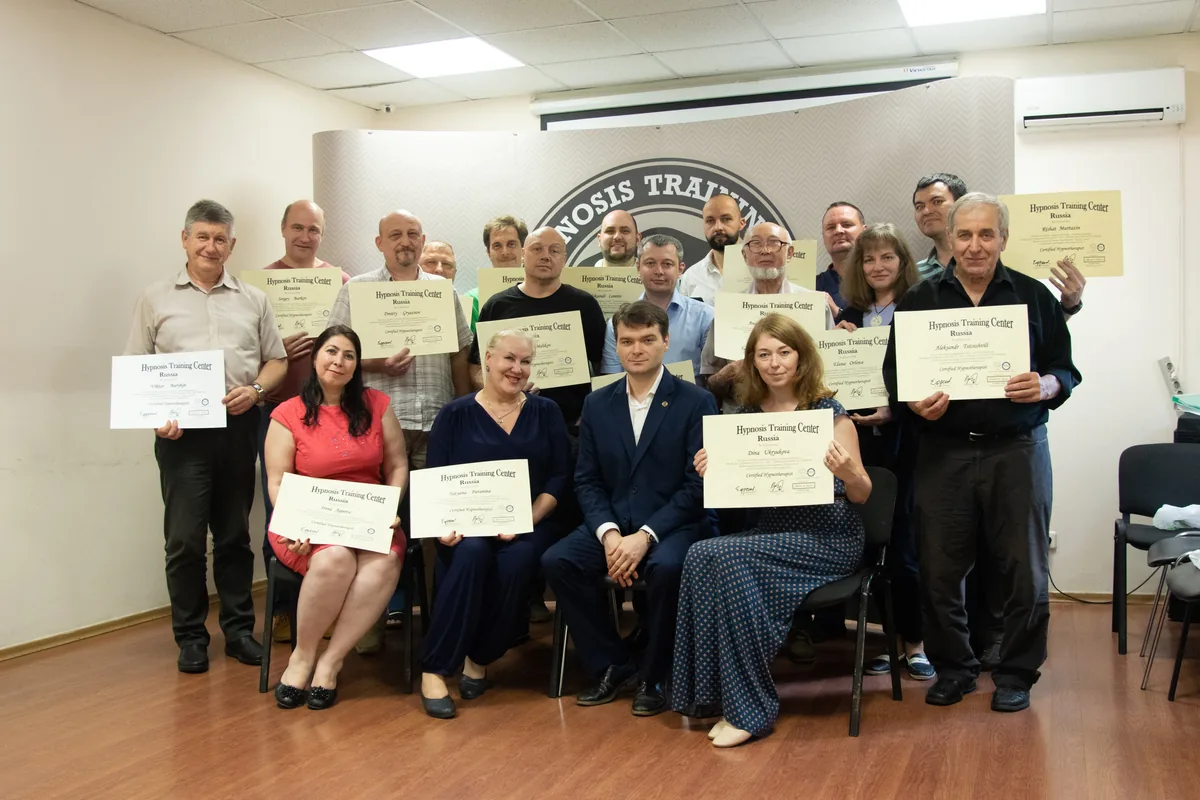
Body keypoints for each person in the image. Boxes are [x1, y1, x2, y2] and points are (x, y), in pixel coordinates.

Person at [882, 192, 1081, 713]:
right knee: (939, 571)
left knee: (1025, 570)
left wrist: (1046, 387)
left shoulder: (1035, 297)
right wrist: (914, 405)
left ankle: (1016, 672)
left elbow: (1066, 369)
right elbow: (895, 378)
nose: (974, 246)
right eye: (965, 235)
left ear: (1003, 239)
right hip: (942, 453)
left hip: (1017, 450)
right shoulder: (919, 302)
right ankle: (955, 669)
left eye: (986, 234)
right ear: (950, 238)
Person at [672, 313, 872, 747]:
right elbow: (745, 494)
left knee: (724, 556)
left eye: (783, 352)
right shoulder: (745, 416)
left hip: (828, 536)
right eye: (764, 354)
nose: (774, 362)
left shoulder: (829, 413)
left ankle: (751, 712)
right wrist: (716, 470)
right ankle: (711, 696)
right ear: (752, 362)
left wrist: (849, 471)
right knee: (701, 554)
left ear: (801, 358)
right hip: (773, 530)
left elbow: (862, 494)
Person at [124, 199, 287, 674]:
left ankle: (238, 631)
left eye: (220, 239)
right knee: (185, 540)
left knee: (235, 535)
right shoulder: (155, 298)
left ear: (231, 245)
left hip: (239, 427)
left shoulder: (254, 299)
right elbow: (137, 369)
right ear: (185, 240)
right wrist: (157, 415)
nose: (211, 246)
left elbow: (276, 361)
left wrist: (256, 390)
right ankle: (191, 637)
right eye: (202, 237)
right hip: (181, 437)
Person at [542, 301, 717, 717]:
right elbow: (586, 480)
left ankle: (655, 676)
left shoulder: (697, 401)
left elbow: (698, 486)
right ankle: (612, 663)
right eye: (626, 341)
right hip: (615, 522)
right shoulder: (597, 404)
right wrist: (609, 533)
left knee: (668, 569)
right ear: (616, 346)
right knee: (558, 561)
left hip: (675, 525)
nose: (636, 349)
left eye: (646, 340)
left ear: (665, 342)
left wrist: (645, 537)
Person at [329, 209, 473, 653]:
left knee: (436, 532)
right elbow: (334, 355)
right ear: (379, 243)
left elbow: (457, 356)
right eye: (395, 235)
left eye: (412, 234)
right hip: (375, 426)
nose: (404, 242)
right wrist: (376, 363)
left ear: (423, 239)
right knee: (371, 526)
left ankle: (436, 622)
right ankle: (364, 626)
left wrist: (465, 413)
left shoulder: (442, 292)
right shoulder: (357, 290)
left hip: (435, 421)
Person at [418, 330, 571, 719]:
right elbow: (434, 477)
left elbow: (558, 478)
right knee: (469, 555)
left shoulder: (546, 411)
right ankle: (435, 668)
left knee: (517, 561)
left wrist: (527, 519)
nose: (517, 369)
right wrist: (442, 526)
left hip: (530, 522)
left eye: (525, 362)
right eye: (509, 359)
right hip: (465, 526)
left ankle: (480, 655)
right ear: (487, 359)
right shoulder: (455, 414)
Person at [264, 326, 408, 710]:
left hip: (368, 518)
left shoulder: (377, 404)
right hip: (305, 523)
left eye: (348, 355)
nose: (338, 362)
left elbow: (397, 464)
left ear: (357, 364)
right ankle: (303, 657)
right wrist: (295, 524)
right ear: (314, 358)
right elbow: (277, 481)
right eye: (331, 352)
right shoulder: (287, 414)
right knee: (335, 558)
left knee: (386, 561)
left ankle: (331, 661)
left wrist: (391, 507)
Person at [471, 226, 606, 622]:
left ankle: (573, 601)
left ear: (564, 258)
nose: (545, 255)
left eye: (555, 250)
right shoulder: (498, 305)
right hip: (510, 429)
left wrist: (589, 414)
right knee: (516, 511)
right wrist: (504, 387)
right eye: (537, 249)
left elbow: (602, 367)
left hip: (571, 428)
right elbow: (478, 370)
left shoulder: (584, 304)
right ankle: (523, 602)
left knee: (566, 511)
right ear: (523, 255)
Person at [833, 223, 932, 681]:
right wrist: (838, 341)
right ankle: (886, 640)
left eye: (886, 257)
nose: (877, 266)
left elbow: (930, 370)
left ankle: (917, 644)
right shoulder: (850, 314)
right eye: (868, 259)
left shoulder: (922, 306)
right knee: (872, 544)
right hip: (858, 442)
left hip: (905, 440)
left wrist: (894, 411)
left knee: (908, 543)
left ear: (902, 262)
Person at [256, 200, 351, 644]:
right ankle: (281, 609)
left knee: (330, 513)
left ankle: (325, 604)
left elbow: (354, 346)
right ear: (283, 229)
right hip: (279, 411)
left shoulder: (343, 283)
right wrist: (276, 352)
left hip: (332, 414)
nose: (305, 236)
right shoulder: (258, 285)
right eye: (297, 227)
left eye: (313, 229)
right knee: (281, 512)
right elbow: (248, 352)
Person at [913, 174, 1088, 318]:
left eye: (936, 201)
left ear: (1003, 239)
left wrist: (1068, 307)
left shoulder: (1026, 286)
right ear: (951, 238)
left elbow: (1045, 342)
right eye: (919, 206)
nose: (927, 211)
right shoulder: (913, 283)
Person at [701, 221, 835, 409]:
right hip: (744, 420)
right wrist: (727, 374)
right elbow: (709, 380)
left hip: (804, 416)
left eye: (774, 243)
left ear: (790, 253)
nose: (765, 250)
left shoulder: (816, 306)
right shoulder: (726, 309)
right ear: (744, 255)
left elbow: (830, 370)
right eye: (755, 244)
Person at [600, 234, 713, 377]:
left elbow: (713, 378)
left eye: (667, 264)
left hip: (691, 399)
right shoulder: (616, 324)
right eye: (650, 263)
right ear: (638, 267)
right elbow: (611, 380)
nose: (659, 271)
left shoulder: (705, 317)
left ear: (680, 269)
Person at [677, 193, 747, 305]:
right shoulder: (691, 276)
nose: (718, 227)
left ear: (741, 223)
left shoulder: (760, 269)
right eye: (710, 221)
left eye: (726, 219)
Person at [466, 215, 528, 332]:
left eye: (511, 244)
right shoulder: (472, 300)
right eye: (497, 245)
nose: (505, 252)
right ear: (488, 253)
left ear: (523, 249)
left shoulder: (541, 293)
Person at [815, 201, 866, 315]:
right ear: (823, 237)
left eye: (847, 225)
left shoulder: (880, 279)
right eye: (831, 227)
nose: (838, 231)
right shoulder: (813, 288)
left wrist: (838, 314)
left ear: (865, 231)